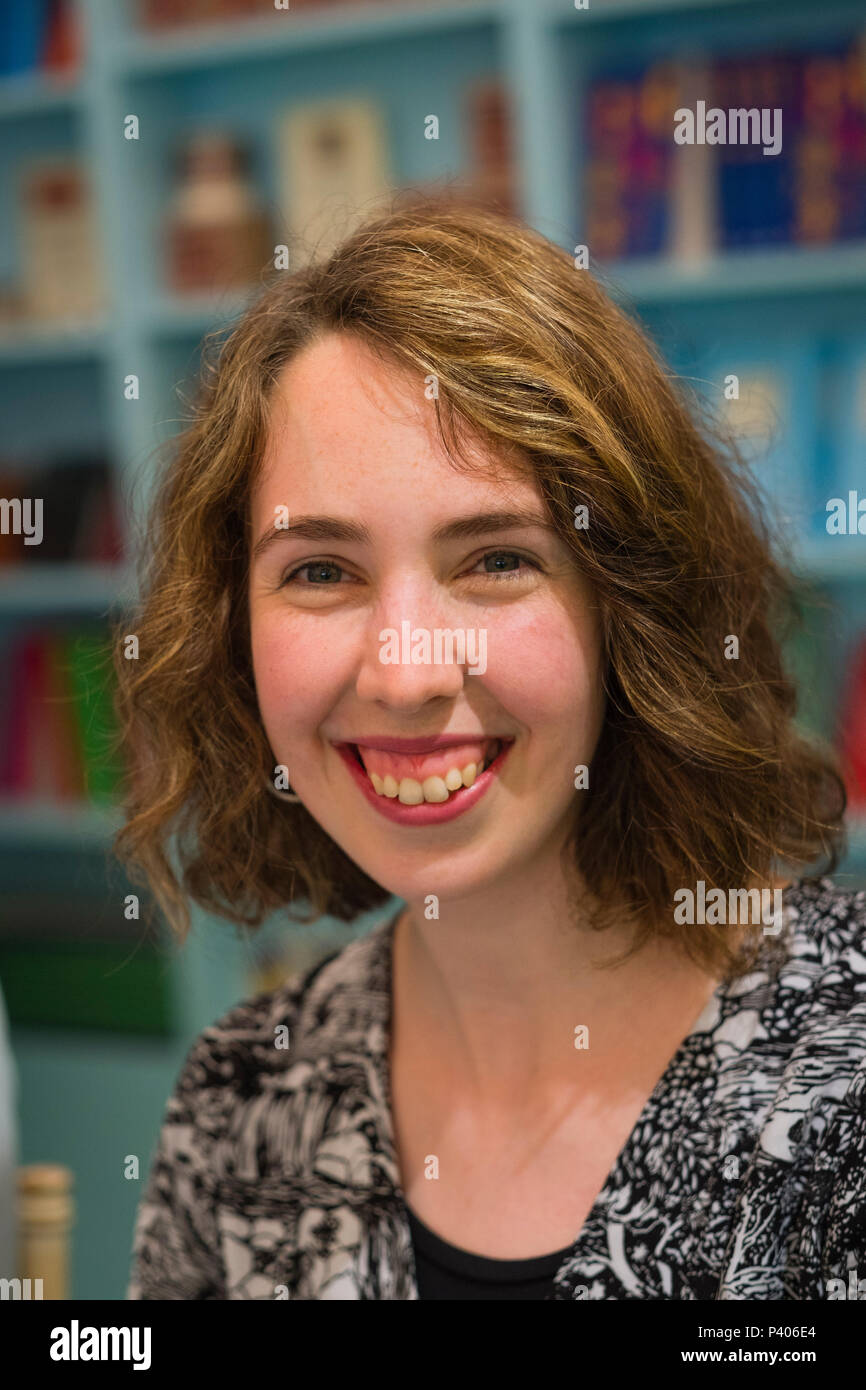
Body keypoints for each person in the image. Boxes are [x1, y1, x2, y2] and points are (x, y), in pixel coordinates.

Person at [119, 194, 866, 1300]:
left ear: (632, 606)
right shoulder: (243, 1099)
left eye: (495, 560)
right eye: (319, 571)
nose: (404, 670)